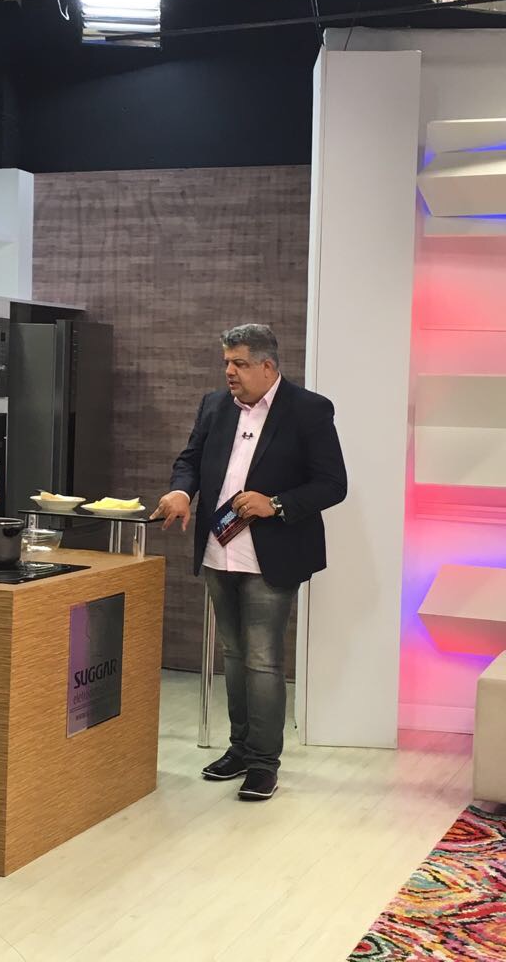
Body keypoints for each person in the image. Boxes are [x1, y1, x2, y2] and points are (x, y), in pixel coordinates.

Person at [151, 324, 347, 801]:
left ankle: (263, 763)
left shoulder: (308, 409)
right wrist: (181, 491)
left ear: (267, 366)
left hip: (271, 555)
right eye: (226, 362)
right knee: (234, 654)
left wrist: (275, 504)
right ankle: (239, 748)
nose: (229, 372)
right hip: (219, 550)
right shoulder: (214, 405)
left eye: (238, 363)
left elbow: (332, 484)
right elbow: (190, 460)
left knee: (262, 659)